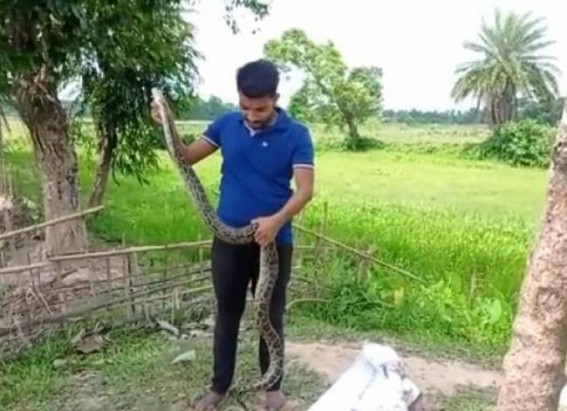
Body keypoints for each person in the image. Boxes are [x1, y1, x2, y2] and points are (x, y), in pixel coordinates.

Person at [150, 59, 315, 411]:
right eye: (245, 107)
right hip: (227, 240)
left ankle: (271, 387)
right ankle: (219, 387)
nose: (252, 115)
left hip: (273, 242)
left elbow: (304, 190)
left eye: (261, 108)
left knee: (270, 316)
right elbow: (185, 157)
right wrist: (168, 123)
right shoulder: (226, 124)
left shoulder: (297, 135)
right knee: (227, 312)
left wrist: (276, 221)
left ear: (275, 98)